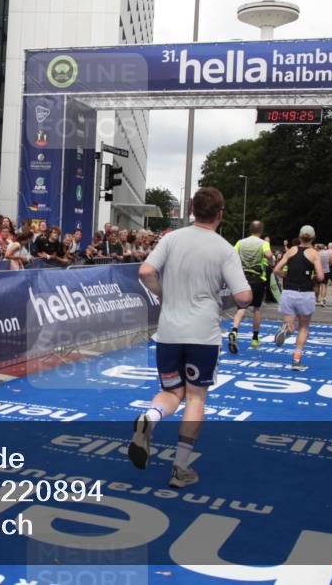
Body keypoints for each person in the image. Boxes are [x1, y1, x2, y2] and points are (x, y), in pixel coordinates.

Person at [131, 187, 252, 488]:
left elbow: (145, 271)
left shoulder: (171, 238)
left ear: (191, 209)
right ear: (221, 214)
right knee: (196, 397)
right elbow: (244, 295)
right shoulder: (224, 248)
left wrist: (164, 292)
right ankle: (180, 468)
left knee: (171, 392)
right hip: (203, 333)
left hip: (169, 331)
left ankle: (150, 416)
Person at [272, 225, 324, 370]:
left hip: (289, 292)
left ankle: (285, 330)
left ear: (300, 237)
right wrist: (311, 277)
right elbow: (320, 276)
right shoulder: (314, 254)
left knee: (290, 326)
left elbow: (276, 270)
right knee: (303, 327)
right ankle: (296, 360)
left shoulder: (291, 251)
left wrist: (286, 275)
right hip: (305, 293)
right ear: (313, 238)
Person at [229, 220, 273, 353]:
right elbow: (269, 255)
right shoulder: (264, 244)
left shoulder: (240, 242)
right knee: (257, 308)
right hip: (258, 279)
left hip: (242, 278)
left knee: (241, 307)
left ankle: (235, 331)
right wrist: (270, 262)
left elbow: (232, 255)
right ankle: (255, 338)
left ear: (249, 229)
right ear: (261, 230)